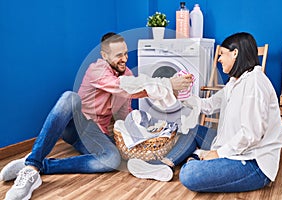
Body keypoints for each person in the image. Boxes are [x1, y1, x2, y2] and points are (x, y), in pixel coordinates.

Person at [0, 32, 193, 200]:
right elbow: (123, 88)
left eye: (126, 53)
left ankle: (39, 163)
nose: (124, 58)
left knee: (112, 159)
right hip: (77, 124)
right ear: (104, 56)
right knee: (70, 97)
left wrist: (138, 131)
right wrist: (167, 84)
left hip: (95, 132)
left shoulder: (126, 73)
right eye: (118, 55)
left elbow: (124, 110)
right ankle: (32, 168)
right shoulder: (98, 69)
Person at [127, 32, 282, 193]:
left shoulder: (254, 84)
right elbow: (208, 105)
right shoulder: (235, 82)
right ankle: (166, 165)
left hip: (253, 162)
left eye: (222, 54)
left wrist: (217, 153)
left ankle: (194, 158)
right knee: (193, 130)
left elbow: (251, 135)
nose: (219, 59)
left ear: (235, 53)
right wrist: (182, 95)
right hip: (231, 145)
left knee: (189, 175)